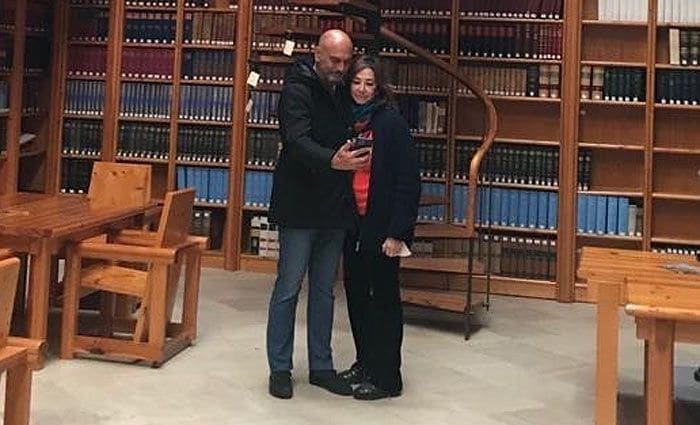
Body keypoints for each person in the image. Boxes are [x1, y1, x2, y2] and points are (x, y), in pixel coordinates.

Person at [266, 29, 372, 399]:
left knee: (325, 290)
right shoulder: (296, 89)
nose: (340, 69)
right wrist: (333, 160)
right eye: (334, 61)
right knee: (288, 287)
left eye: (346, 62)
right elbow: (296, 140)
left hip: (334, 206)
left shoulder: (343, 90)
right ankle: (280, 368)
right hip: (299, 205)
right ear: (317, 55)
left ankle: (321, 366)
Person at [338, 55, 421, 400]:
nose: (362, 89)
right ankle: (365, 363)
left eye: (369, 83)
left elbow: (408, 181)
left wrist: (397, 233)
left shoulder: (391, 123)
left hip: (381, 225)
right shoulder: (348, 121)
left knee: (384, 301)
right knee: (357, 296)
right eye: (357, 82)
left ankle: (387, 377)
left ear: (379, 87)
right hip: (353, 224)